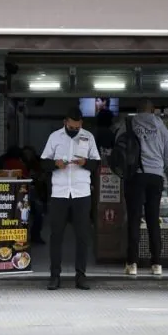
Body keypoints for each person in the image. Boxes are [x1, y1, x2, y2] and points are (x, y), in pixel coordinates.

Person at [40, 106, 100, 290]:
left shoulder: (88, 137)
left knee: (82, 236)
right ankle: (54, 276)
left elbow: (96, 163)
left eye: (77, 127)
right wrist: (55, 164)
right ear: (65, 122)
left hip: (82, 193)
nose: (74, 129)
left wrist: (85, 163)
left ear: (81, 123)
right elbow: (43, 163)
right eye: (71, 126)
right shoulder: (55, 137)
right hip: (60, 193)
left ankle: (81, 276)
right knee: (56, 236)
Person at [116, 99, 168, 276]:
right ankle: (156, 264)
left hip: (135, 177)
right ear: (153, 110)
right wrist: (158, 168)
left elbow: (118, 148)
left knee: (134, 219)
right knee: (153, 220)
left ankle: (132, 264)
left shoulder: (128, 124)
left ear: (137, 110)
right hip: (155, 177)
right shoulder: (162, 128)